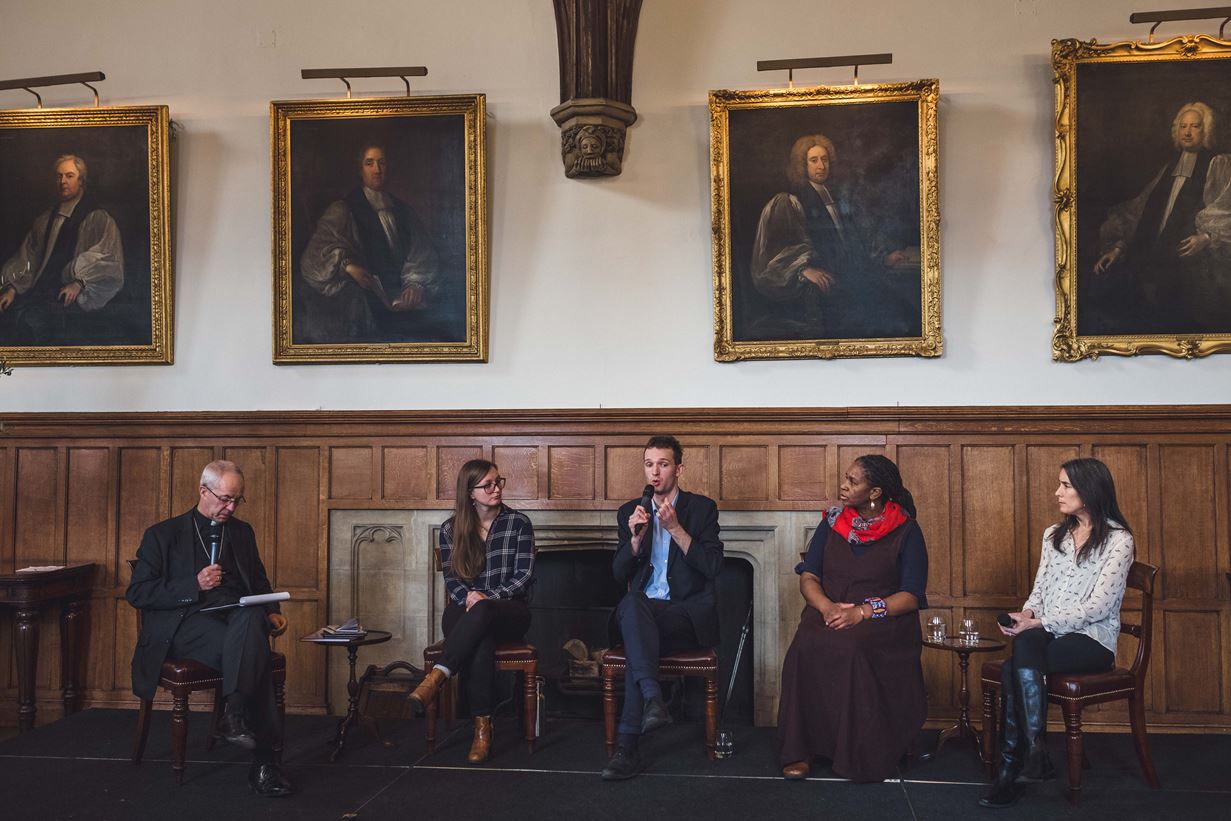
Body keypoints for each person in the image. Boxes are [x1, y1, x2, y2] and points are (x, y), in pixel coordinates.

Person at [125, 460, 294, 797]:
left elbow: (258, 580)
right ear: (204, 491)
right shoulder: (163, 534)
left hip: (235, 618)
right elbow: (138, 593)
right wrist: (194, 584)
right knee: (255, 651)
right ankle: (264, 765)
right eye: (224, 499)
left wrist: (272, 610)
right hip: (186, 623)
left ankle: (233, 714)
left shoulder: (242, 532)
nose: (229, 507)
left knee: (251, 622)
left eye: (236, 501)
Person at [980, 457, 1135, 809]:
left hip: (1093, 640)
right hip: (1047, 632)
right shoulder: (1055, 535)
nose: (1057, 492)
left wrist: (1040, 623)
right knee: (1025, 644)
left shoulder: (1118, 541)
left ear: (1090, 490)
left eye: (1066, 486)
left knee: (1011, 668)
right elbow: (1040, 590)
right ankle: (1032, 756)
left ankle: (1016, 767)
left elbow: (1098, 607)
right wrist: (1027, 614)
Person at [777, 454, 928, 783]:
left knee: (853, 647)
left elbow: (911, 595)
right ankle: (800, 750)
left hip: (882, 621)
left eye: (853, 481)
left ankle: (858, 753)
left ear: (874, 492)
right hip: (830, 612)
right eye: (845, 478)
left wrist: (861, 612)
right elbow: (809, 576)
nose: (843, 486)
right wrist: (828, 608)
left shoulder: (906, 530)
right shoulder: (831, 523)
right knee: (804, 645)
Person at [601, 435, 724, 781]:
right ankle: (654, 699)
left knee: (636, 629)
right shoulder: (630, 512)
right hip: (642, 613)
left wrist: (676, 530)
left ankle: (627, 750)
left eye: (663, 464)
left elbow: (714, 567)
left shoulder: (701, 509)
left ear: (679, 469)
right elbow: (617, 573)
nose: (654, 472)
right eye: (649, 464)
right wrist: (635, 542)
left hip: (684, 615)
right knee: (633, 605)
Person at [408, 459, 535, 764]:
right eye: (487, 485)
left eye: (498, 482)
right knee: (480, 635)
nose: (496, 489)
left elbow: (524, 576)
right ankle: (482, 727)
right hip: (466, 611)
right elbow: (452, 581)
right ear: (470, 493)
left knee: (483, 615)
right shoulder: (452, 529)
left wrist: (486, 597)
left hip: (510, 611)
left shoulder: (519, 523)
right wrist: (472, 599)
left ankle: (438, 676)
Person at [749, 134, 919, 339]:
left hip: (855, 280)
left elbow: (852, 244)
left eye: (825, 159)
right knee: (886, 318)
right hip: (830, 291)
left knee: (905, 314)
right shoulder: (789, 201)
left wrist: (883, 259)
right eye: (813, 160)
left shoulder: (838, 197)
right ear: (802, 165)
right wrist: (803, 269)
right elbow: (777, 252)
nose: (821, 166)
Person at [1091, 101, 1231, 333]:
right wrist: (1118, 247)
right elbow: (1141, 212)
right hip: (1152, 260)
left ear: (1206, 130)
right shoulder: (1169, 168)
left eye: (1195, 126)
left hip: (1192, 267)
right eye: (1183, 126)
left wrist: (1206, 237)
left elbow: (1227, 209)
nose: (1187, 132)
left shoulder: (1218, 164)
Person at [298, 143, 441, 343]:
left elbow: (422, 252)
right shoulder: (344, 209)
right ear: (360, 169)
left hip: (404, 299)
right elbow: (313, 257)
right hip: (367, 302)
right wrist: (347, 266)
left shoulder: (403, 211)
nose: (377, 169)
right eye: (369, 163)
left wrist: (415, 283)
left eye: (382, 163)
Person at [0, 154, 124, 345]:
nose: (63, 181)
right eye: (59, 176)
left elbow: (107, 259)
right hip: (39, 292)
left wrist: (79, 282)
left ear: (81, 180)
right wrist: (13, 288)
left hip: (71, 299)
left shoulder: (97, 218)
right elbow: (29, 256)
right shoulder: (45, 220)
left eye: (69, 176)